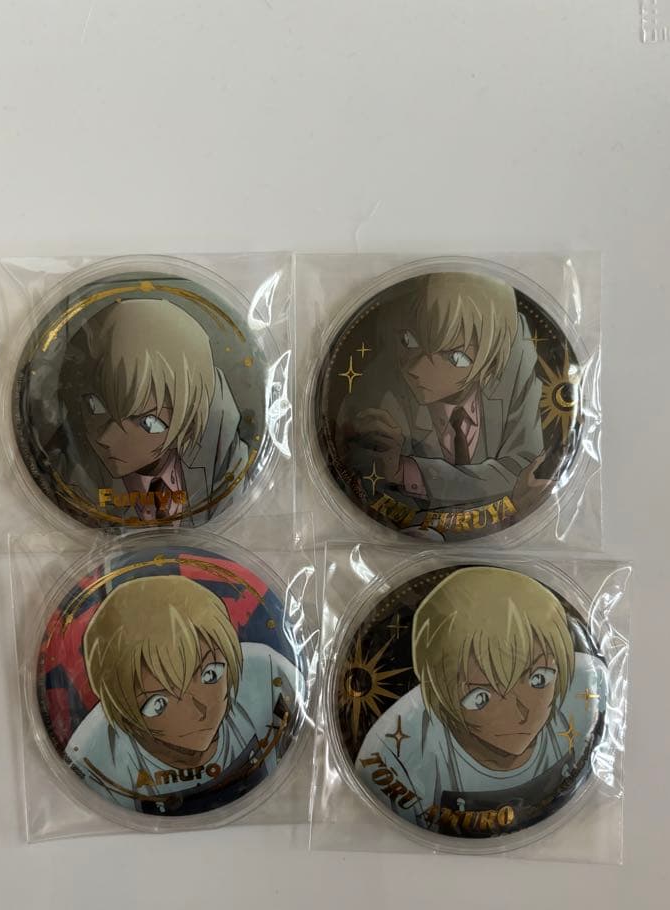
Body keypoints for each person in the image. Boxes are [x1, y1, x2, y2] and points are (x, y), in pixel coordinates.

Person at [355, 567, 605, 834]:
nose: (520, 713)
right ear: (441, 694)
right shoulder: (396, 754)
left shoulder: (584, 693)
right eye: (481, 697)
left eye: (538, 679)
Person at [65, 575, 297, 814]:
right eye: (159, 703)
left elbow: (308, 738)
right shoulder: (95, 760)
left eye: (210, 674)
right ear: (122, 707)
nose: (199, 710)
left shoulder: (267, 675)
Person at [340, 273, 550, 514]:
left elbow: (524, 469)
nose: (416, 369)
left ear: (491, 361)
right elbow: (364, 473)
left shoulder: (513, 348)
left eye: (455, 358)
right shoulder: (384, 384)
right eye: (410, 341)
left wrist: (406, 471)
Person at [51, 297, 248, 524]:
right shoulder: (65, 470)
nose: (106, 438)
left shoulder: (224, 459)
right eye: (95, 407)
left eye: (148, 423)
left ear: (189, 423)